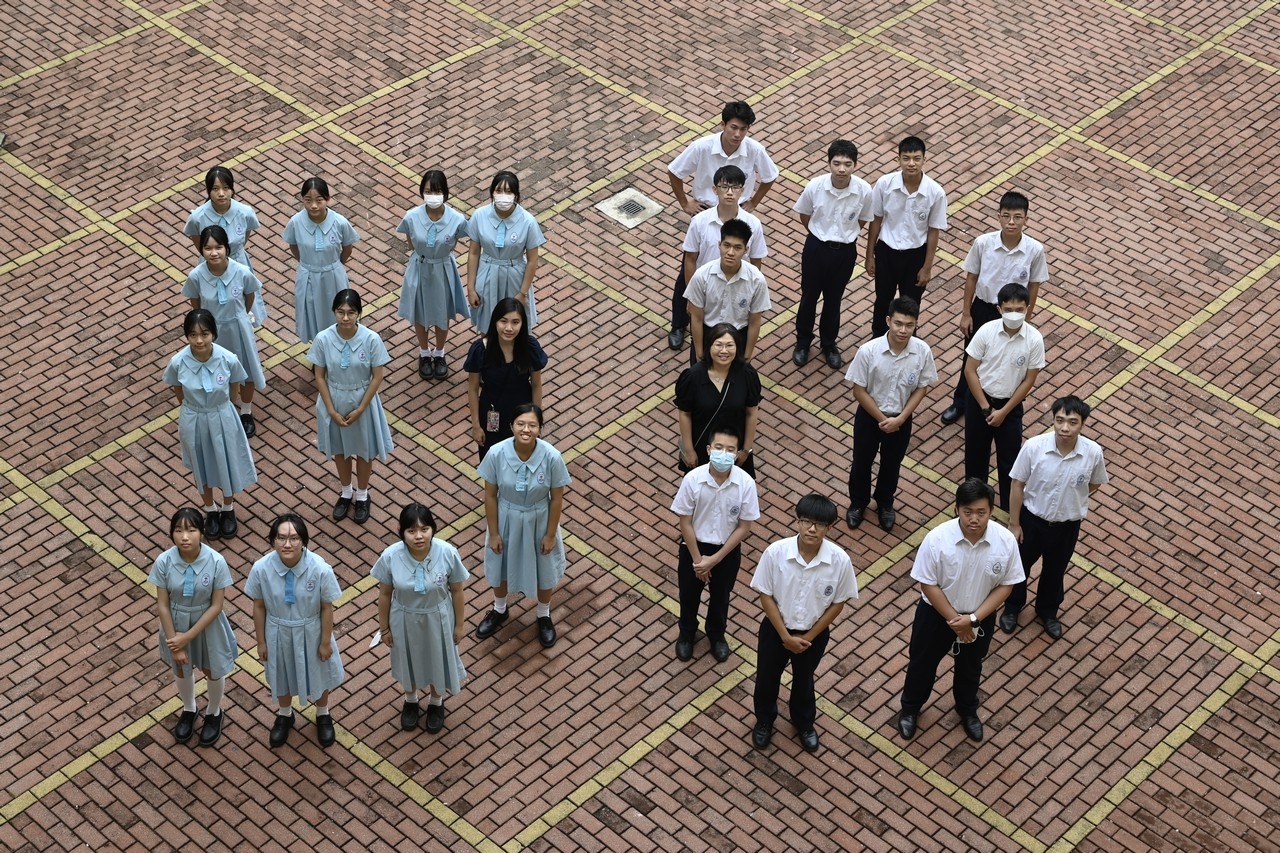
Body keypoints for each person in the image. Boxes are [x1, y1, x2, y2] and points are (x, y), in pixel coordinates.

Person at [896, 478, 1024, 743]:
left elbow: (1007, 585)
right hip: (936, 616)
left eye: (981, 512)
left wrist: (973, 619)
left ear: (991, 511)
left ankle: (967, 710)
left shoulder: (1005, 542)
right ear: (957, 509)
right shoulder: (937, 539)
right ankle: (910, 709)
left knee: (971, 667)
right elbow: (927, 583)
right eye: (968, 512)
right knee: (922, 664)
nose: (974, 519)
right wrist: (956, 620)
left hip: (979, 617)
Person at [666, 101, 779, 350]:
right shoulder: (702, 147)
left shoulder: (754, 150)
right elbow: (674, 171)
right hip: (707, 213)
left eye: (743, 129)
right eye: (733, 128)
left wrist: (753, 202)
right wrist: (685, 202)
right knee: (691, 268)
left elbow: (770, 176)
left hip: (736, 216)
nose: (738, 134)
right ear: (723, 125)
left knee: (734, 268)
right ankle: (679, 323)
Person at [750, 494, 858, 754]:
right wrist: (785, 636)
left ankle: (804, 722)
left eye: (819, 524)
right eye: (806, 521)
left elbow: (838, 603)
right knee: (766, 678)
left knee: (804, 680)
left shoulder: (840, 561)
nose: (812, 529)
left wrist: (808, 636)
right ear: (797, 521)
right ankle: (764, 720)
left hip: (813, 635)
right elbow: (766, 595)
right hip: (776, 630)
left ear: (829, 528)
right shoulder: (775, 553)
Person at [999, 395, 1108, 639]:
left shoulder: (1092, 453)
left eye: (1072, 422)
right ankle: (1012, 607)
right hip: (1031, 521)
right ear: (1053, 420)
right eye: (1060, 420)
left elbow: (1095, 483)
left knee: (1055, 571)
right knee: (1019, 566)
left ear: (1083, 424)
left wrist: (1071, 498)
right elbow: (1017, 484)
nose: (1064, 427)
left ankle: (1047, 611)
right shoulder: (1034, 447)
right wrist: (1014, 523)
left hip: (1067, 526)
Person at [941, 191, 1050, 426]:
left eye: (1018, 217)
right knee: (971, 357)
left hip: (1013, 313)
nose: (1011, 222)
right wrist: (966, 313)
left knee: (1007, 357)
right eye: (1006, 216)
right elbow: (971, 278)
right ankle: (961, 403)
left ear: (1026, 219)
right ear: (998, 216)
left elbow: (1034, 286)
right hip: (983, 308)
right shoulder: (983, 243)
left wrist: (1026, 319)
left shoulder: (1034, 250)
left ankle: (1002, 404)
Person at [474, 403, 571, 648]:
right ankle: (499, 609)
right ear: (511, 426)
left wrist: (550, 535)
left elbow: (557, 498)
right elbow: (490, 495)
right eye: (520, 424)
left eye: (532, 425)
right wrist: (494, 533)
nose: (526, 429)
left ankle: (543, 614)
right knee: (500, 564)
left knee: (544, 568)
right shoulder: (496, 453)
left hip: (539, 519)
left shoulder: (552, 457)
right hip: (506, 518)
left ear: (540, 428)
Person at [245, 513, 345, 749]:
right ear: (273, 540)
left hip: (311, 631)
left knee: (319, 673)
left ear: (304, 541)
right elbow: (258, 606)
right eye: (281, 538)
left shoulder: (320, 569)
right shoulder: (261, 568)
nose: (287, 544)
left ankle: (323, 713)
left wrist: (325, 642)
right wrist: (261, 641)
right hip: (277, 631)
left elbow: (326, 607)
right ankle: (285, 714)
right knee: (281, 673)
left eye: (294, 538)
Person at [373, 503, 469, 734]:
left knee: (438, 658)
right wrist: (384, 629)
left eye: (424, 529)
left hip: (438, 618)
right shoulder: (390, 556)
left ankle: (436, 702)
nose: (418, 536)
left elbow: (457, 591)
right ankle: (411, 699)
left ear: (433, 529)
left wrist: (459, 625)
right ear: (402, 532)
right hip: (404, 618)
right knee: (408, 659)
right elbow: (385, 594)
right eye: (411, 531)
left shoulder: (447, 553)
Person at [844, 297, 938, 533]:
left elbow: (922, 387)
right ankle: (858, 503)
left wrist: (901, 418)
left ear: (916, 324)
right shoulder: (868, 351)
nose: (903, 330)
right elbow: (859, 391)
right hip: (869, 417)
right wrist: (882, 419)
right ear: (888, 321)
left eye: (909, 325)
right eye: (898, 323)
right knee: (861, 461)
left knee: (892, 464)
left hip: (901, 419)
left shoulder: (922, 352)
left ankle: (885, 503)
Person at [148, 507, 239, 748]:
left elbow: (216, 606)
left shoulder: (216, 561)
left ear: (202, 532)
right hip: (175, 625)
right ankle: (189, 708)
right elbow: (163, 605)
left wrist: (186, 637)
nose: (184, 537)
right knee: (181, 670)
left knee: (212, 670)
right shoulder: (164, 561)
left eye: (191, 530)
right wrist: (175, 642)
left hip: (207, 625)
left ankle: (214, 712)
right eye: (178, 531)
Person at [163, 309, 258, 539]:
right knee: (201, 465)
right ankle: (211, 510)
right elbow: (178, 390)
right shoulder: (178, 362)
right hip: (193, 418)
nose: (199, 340)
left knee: (225, 461)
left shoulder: (228, 359)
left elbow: (234, 387)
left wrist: (222, 407)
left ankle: (228, 507)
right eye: (193, 335)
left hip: (222, 415)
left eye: (204, 334)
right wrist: (194, 411)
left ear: (213, 334)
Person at [670, 425, 760, 663]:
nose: (724, 454)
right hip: (693, 548)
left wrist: (715, 559)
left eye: (730, 450)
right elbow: (685, 522)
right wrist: (698, 561)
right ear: (709, 449)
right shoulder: (693, 480)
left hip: (726, 551)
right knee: (689, 595)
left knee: (721, 597)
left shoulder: (746, 483)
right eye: (719, 447)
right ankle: (686, 633)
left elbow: (744, 527)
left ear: (737, 453)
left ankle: (716, 635)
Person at [309, 289, 393, 525]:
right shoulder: (323, 339)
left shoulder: (371, 339)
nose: (345, 318)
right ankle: (346, 492)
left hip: (362, 401)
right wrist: (331, 410)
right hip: (334, 399)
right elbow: (319, 376)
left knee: (364, 450)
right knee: (340, 449)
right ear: (334, 312)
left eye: (351, 313)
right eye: (340, 312)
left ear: (359, 314)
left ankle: (363, 495)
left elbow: (377, 376)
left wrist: (361, 408)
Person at [792, 139, 874, 370]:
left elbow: (863, 219)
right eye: (836, 163)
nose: (841, 169)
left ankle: (829, 344)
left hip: (845, 252)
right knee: (809, 297)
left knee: (834, 299)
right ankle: (803, 342)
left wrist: (844, 235)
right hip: (816, 248)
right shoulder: (815, 186)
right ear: (829, 163)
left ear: (855, 165)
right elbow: (805, 215)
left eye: (847, 164)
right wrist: (819, 235)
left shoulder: (864, 191)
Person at [963, 282, 1046, 509]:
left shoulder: (1034, 339)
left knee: (1010, 462)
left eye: (1019, 310)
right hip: (980, 402)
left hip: (1010, 407)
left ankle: (1010, 510)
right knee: (975, 458)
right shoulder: (986, 331)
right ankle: (974, 505)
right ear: (999, 309)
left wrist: (1003, 412)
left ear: (1028, 308)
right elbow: (970, 370)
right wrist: (985, 408)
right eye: (1009, 309)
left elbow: (1029, 380)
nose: (1014, 314)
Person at [182, 224, 266, 436]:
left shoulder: (242, 272)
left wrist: (240, 317)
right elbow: (196, 303)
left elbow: (249, 296)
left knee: (246, 370)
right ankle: (223, 409)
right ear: (201, 250)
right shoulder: (196, 276)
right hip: (214, 332)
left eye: (218, 247)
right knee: (216, 371)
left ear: (227, 248)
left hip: (238, 328)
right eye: (208, 248)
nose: (213, 253)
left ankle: (246, 411)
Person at [865, 136, 948, 338]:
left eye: (916, 158)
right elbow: (876, 220)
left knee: (911, 303)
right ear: (898, 159)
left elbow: (933, 231)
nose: (911, 163)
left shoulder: (935, 192)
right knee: (882, 300)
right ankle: (878, 338)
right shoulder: (884, 184)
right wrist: (869, 256)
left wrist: (927, 267)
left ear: (924, 159)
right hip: (886, 252)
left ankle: (908, 341)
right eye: (906, 158)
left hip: (915, 256)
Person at [396, 169, 470, 380]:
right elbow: (411, 242)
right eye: (428, 191)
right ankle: (423, 352)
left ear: (445, 193)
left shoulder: (457, 219)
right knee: (420, 311)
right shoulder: (412, 216)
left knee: (441, 312)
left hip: (443, 269)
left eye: (437, 191)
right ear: (422, 192)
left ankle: (439, 353)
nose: (432, 196)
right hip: (420, 267)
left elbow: (458, 240)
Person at [464, 297, 547, 462]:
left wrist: (535, 421)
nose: (509, 328)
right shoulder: (481, 350)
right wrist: (476, 426)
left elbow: (536, 385)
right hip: (491, 413)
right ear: (495, 322)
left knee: (521, 459)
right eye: (503, 321)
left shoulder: (529, 347)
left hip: (522, 414)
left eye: (515, 322)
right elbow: (473, 389)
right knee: (492, 460)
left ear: (522, 324)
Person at [184, 166, 267, 327]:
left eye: (226, 188)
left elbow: (244, 237)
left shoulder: (244, 212)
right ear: (208, 191)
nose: (221, 193)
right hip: (210, 265)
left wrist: (232, 255)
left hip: (238, 260)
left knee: (241, 299)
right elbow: (198, 242)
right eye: (215, 189)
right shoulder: (197, 217)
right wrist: (214, 256)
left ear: (232, 189)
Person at [675, 324, 761, 479]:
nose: (724, 351)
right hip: (702, 446)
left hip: (733, 449)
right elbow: (685, 413)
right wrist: (689, 450)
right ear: (709, 346)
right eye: (719, 345)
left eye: (730, 345)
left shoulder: (747, 375)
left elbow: (751, 412)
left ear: (737, 348)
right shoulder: (693, 377)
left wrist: (746, 449)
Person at [466, 170, 545, 335]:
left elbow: (532, 260)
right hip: (487, 275)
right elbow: (473, 253)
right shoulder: (480, 216)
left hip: (514, 278)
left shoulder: (528, 222)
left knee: (514, 326)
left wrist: (522, 293)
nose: (503, 195)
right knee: (487, 324)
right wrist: (471, 288)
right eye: (499, 190)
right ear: (492, 193)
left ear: (516, 196)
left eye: (509, 192)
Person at [282, 176, 359, 343]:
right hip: (308, 275)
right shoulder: (296, 222)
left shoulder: (339, 222)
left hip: (334, 276)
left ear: (328, 199)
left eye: (319, 200)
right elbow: (293, 245)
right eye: (308, 200)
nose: (314, 205)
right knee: (311, 312)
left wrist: (335, 265)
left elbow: (347, 248)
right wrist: (307, 263)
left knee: (339, 311)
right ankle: (319, 349)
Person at [684, 219, 771, 365]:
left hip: (738, 337)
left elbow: (755, 320)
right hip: (708, 334)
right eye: (727, 245)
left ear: (746, 249)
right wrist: (699, 353)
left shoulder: (756, 280)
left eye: (737, 248)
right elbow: (697, 318)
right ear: (719, 245)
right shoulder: (701, 276)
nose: (730, 252)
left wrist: (747, 356)